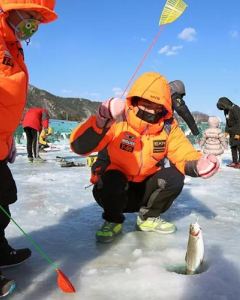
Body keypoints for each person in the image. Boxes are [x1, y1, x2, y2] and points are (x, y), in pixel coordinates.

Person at [70, 71, 219, 243]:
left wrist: (198, 163)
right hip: (115, 191)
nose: (152, 109)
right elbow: (80, 147)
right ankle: (112, 220)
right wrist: (101, 121)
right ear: (135, 100)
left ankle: (148, 218)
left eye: (158, 105)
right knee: (112, 178)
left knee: (175, 176)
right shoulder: (119, 118)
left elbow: (182, 151)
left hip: (146, 191)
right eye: (146, 103)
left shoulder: (168, 126)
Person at [0, 0, 57, 295]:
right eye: (31, 15)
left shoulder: (14, 45)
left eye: (38, 17)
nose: (33, 23)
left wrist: (8, 140)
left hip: (1, 142)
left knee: (4, 198)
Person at [217, 97, 240, 168]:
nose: (223, 109)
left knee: (239, 146)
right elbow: (227, 122)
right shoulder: (226, 110)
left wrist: (238, 133)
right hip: (231, 132)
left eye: (223, 107)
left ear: (225, 103)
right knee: (233, 146)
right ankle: (234, 162)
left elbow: (239, 122)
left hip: (238, 131)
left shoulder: (236, 108)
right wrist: (226, 131)